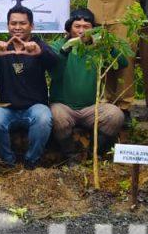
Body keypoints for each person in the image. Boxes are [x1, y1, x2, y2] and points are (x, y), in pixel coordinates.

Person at [0, 6, 60, 169]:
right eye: (13, 23)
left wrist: (40, 52)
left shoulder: (38, 46)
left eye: (22, 23)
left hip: (34, 107)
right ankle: (8, 161)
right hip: (6, 107)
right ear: (7, 25)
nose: (17, 27)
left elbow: (54, 60)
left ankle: (32, 161)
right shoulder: (2, 47)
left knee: (44, 118)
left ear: (32, 26)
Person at [49, 9, 127, 165]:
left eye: (86, 27)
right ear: (69, 27)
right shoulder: (58, 46)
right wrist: (64, 52)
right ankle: (71, 156)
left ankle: (94, 154)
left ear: (93, 29)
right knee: (56, 116)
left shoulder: (98, 48)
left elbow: (122, 63)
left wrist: (107, 46)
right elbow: (52, 71)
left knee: (115, 115)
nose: (81, 31)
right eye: (77, 26)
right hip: (64, 106)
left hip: (91, 107)